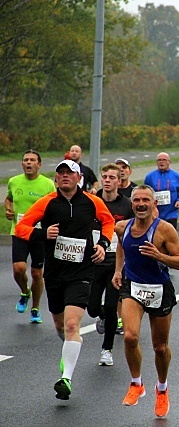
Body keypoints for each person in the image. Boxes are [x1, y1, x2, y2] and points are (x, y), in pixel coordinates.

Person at [15, 159, 114, 400]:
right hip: (55, 272)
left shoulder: (92, 202)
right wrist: (41, 233)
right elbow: (21, 227)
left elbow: (109, 222)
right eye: (60, 173)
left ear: (79, 178)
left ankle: (66, 378)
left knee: (72, 325)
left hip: (82, 272)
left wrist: (103, 244)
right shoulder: (47, 203)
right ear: (56, 179)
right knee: (60, 326)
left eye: (69, 173)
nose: (64, 177)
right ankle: (68, 351)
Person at [112, 184, 179, 418]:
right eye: (137, 200)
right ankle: (136, 384)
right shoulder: (121, 227)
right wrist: (118, 271)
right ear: (131, 204)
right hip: (133, 288)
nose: (141, 204)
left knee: (160, 347)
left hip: (159, 289)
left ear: (154, 204)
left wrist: (159, 255)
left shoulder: (164, 230)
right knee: (130, 336)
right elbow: (121, 249)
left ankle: (162, 389)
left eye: (146, 200)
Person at [88, 163, 134, 367]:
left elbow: (133, 233)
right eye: (104, 177)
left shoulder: (126, 205)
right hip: (93, 262)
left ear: (119, 180)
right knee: (92, 307)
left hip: (116, 264)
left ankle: (106, 350)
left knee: (111, 304)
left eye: (111, 177)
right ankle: (105, 317)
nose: (107, 180)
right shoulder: (91, 201)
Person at [5, 149, 56, 323]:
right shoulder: (13, 181)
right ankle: (25, 292)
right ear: (22, 164)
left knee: (36, 273)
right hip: (19, 231)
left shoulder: (47, 184)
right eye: (26, 160)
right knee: (18, 268)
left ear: (39, 165)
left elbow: (53, 206)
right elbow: (9, 198)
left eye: (32, 160)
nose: (28, 163)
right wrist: (9, 209)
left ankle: (35, 308)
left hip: (39, 233)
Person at [144, 152, 179, 229]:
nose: (161, 162)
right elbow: (145, 192)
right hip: (155, 213)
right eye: (159, 160)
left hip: (171, 212)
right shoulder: (150, 177)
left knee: (170, 237)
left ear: (169, 162)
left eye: (164, 160)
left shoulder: (177, 176)